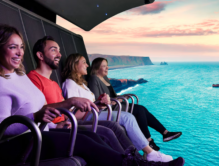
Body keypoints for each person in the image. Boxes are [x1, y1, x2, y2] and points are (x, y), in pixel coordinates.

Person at [0, 24, 185, 166]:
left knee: (95, 138)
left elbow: (42, 109)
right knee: (85, 141)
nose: (19, 53)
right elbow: (3, 129)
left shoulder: (20, 76)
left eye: (21, 47)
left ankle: (139, 161)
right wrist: (38, 117)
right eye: (12, 47)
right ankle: (138, 163)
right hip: (24, 142)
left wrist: (65, 105)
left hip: (42, 131)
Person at [61, 53, 177, 162]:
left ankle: (148, 148)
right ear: (75, 65)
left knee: (137, 112)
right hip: (90, 116)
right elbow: (73, 109)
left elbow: (89, 102)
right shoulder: (69, 83)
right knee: (128, 117)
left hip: (97, 111)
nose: (87, 65)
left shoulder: (81, 84)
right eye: (84, 62)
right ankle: (150, 152)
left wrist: (100, 102)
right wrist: (100, 104)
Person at [89, 57, 182, 150]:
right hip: (109, 108)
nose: (107, 68)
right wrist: (114, 101)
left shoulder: (104, 78)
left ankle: (165, 133)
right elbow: (98, 100)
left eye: (107, 65)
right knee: (139, 110)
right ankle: (149, 140)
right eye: (104, 66)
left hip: (116, 104)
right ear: (97, 68)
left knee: (142, 108)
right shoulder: (94, 79)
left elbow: (111, 95)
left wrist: (122, 96)